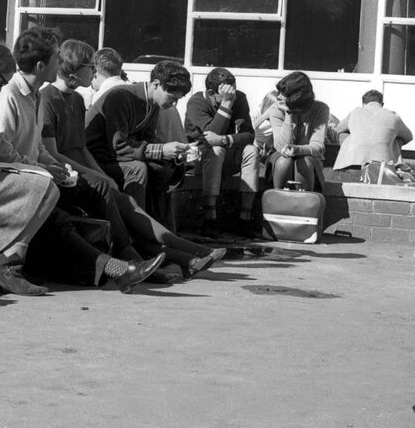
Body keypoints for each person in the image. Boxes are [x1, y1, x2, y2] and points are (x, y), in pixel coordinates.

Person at [0, 41, 161, 296]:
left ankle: (119, 268)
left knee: (55, 214)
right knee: (45, 188)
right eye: (0, 81)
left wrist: (31, 161)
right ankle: (6, 265)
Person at [41, 39, 224, 279]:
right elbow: (52, 153)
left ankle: (161, 261)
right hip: (64, 174)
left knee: (128, 204)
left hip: (82, 171)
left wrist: (101, 175)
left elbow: (81, 148)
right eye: (91, 68)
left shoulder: (75, 100)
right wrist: (99, 176)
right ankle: (143, 263)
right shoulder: (46, 98)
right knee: (121, 198)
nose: (96, 73)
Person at [85, 60, 192, 223]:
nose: (174, 104)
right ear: (156, 84)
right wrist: (162, 150)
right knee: (138, 168)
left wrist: (174, 154)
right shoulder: (121, 96)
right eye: (172, 97)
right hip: (96, 158)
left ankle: (163, 230)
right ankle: (138, 229)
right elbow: (119, 146)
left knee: (164, 168)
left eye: (178, 99)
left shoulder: (153, 104)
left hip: (118, 156)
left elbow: (147, 138)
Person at [184, 67, 259, 234]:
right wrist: (226, 104)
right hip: (199, 159)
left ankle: (245, 218)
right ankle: (210, 216)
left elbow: (249, 134)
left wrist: (226, 140)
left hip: (227, 154)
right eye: (226, 94)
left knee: (251, 151)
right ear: (211, 92)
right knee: (216, 149)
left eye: (232, 94)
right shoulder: (196, 103)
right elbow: (213, 135)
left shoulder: (239, 98)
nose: (232, 97)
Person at [268, 71, 330, 192]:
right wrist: (289, 114)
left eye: (283, 93)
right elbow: (281, 147)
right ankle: (280, 202)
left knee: (304, 162)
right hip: (280, 160)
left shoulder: (320, 109)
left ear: (296, 97)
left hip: (309, 160)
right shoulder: (276, 109)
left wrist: (297, 150)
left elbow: (318, 146)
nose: (278, 97)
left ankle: (303, 206)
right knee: (284, 161)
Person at [333, 90, 412, 171]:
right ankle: (395, 166)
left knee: (344, 134)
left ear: (363, 103)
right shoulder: (393, 116)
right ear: (382, 104)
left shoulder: (355, 112)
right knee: (396, 138)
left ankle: (344, 162)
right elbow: (409, 136)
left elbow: (337, 130)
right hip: (383, 161)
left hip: (353, 160)